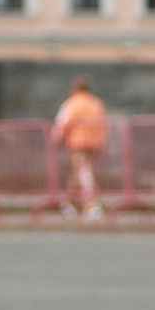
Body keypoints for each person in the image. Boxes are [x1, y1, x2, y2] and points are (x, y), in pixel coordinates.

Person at [54, 76, 109, 220]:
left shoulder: (73, 103)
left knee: (84, 172)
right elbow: (103, 124)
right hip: (94, 142)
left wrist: (56, 137)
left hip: (78, 142)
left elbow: (63, 122)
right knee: (79, 172)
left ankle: (91, 204)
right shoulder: (96, 103)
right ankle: (70, 204)